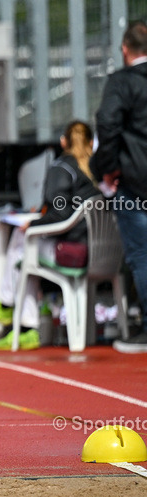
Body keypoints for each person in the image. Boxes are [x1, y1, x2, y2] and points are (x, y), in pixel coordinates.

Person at [0, 121, 98, 351]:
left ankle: (15, 315)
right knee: (26, 250)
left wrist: (34, 222)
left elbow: (61, 212)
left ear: (63, 141)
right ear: (91, 142)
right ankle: (18, 317)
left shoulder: (62, 168)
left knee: (22, 244)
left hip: (72, 250)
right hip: (102, 251)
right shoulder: (98, 169)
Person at [91, 20, 147, 353]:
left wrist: (106, 169)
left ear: (125, 49)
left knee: (142, 255)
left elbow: (108, 124)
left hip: (136, 182)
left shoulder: (121, 83)